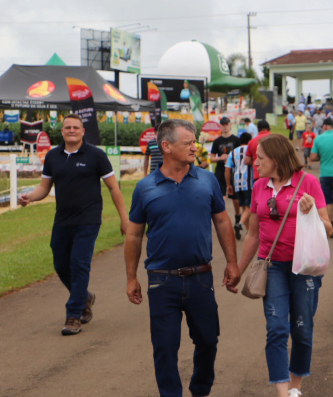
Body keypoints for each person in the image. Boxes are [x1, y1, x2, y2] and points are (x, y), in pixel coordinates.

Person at [124, 119, 240, 397]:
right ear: (166, 146)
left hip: (201, 278)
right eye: (187, 142)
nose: (194, 147)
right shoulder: (145, 188)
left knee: (208, 341)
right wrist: (131, 278)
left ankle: (200, 390)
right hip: (162, 281)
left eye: (194, 142)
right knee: (164, 347)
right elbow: (134, 236)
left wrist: (232, 263)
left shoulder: (207, 179)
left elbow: (223, 222)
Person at [236, 134, 332, 397]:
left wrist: (311, 211)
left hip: (305, 268)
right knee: (276, 327)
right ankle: (282, 391)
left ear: (276, 159)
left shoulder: (308, 183)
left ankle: (296, 386)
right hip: (273, 267)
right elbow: (253, 235)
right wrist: (238, 270)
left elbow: (329, 228)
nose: (255, 163)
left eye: (260, 158)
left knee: (302, 328)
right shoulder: (259, 187)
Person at [19, 114, 129, 335]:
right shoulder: (53, 156)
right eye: (67, 127)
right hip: (62, 220)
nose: (71, 130)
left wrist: (124, 218)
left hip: (88, 220)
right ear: (62, 131)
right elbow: (44, 188)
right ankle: (85, 296)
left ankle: (73, 315)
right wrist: (29, 197)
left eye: (75, 127)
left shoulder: (96, 156)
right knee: (61, 265)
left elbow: (113, 188)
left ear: (82, 131)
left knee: (79, 265)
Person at [211, 117, 241, 225]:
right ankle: (224, 219)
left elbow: (241, 155)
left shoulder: (236, 140)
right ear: (220, 126)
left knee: (235, 198)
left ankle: (237, 217)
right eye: (223, 124)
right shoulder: (217, 141)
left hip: (234, 170)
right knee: (221, 196)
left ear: (230, 125)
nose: (225, 126)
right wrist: (220, 158)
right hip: (220, 171)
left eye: (226, 124)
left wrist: (231, 157)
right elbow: (211, 158)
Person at [226, 132, 254, 239]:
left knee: (243, 208)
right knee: (250, 208)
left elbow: (227, 170)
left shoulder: (232, 153)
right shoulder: (251, 150)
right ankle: (240, 224)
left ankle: (249, 232)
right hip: (249, 182)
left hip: (237, 183)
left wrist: (228, 184)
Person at [245, 120, 272, 184]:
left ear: (258, 129)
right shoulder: (275, 140)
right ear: (269, 128)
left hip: (258, 174)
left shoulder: (252, 141)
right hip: (273, 173)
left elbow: (247, 161)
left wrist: (256, 161)